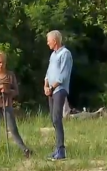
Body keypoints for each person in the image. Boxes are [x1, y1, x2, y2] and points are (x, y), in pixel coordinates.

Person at [0, 50, 32, 158]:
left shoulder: (10, 75)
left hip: (6, 104)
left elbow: (16, 91)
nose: (1, 64)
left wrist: (7, 91)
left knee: (13, 128)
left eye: (3, 62)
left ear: (5, 63)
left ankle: (25, 149)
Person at [43, 30, 73, 161]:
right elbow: (49, 72)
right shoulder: (53, 55)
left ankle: (61, 150)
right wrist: (45, 85)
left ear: (55, 41)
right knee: (53, 119)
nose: (47, 42)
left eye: (48, 40)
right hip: (51, 90)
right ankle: (57, 149)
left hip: (59, 89)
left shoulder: (65, 54)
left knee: (57, 118)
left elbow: (63, 75)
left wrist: (51, 87)